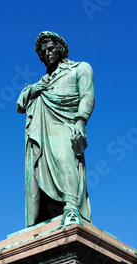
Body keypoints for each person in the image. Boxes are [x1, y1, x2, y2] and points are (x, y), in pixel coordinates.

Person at [17, 31, 95, 227]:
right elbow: (20, 104)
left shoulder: (81, 68)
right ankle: (43, 215)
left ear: (60, 49)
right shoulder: (42, 83)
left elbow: (87, 96)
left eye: (51, 49)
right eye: (43, 52)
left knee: (63, 157)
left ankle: (71, 205)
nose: (47, 54)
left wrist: (81, 120)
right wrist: (34, 90)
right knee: (37, 169)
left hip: (66, 123)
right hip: (43, 131)